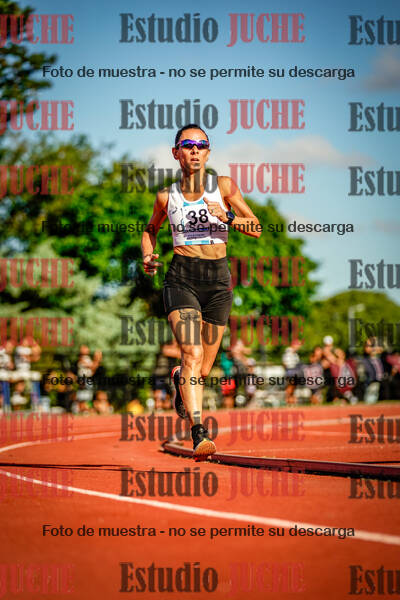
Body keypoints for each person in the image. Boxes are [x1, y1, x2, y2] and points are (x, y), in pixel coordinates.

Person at [141, 123, 261, 457]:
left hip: (218, 283)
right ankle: (199, 432)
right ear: (176, 153)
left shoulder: (224, 186)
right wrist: (148, 254)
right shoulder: (166, 196)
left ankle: (180, 378)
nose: (194, 150)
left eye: (201, 144)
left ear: (208, 152)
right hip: (182, 278)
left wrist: (229, 217)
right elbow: (150, 230)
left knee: (203, 370)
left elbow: (256, 227)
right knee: (192, 354)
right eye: (187, 145)